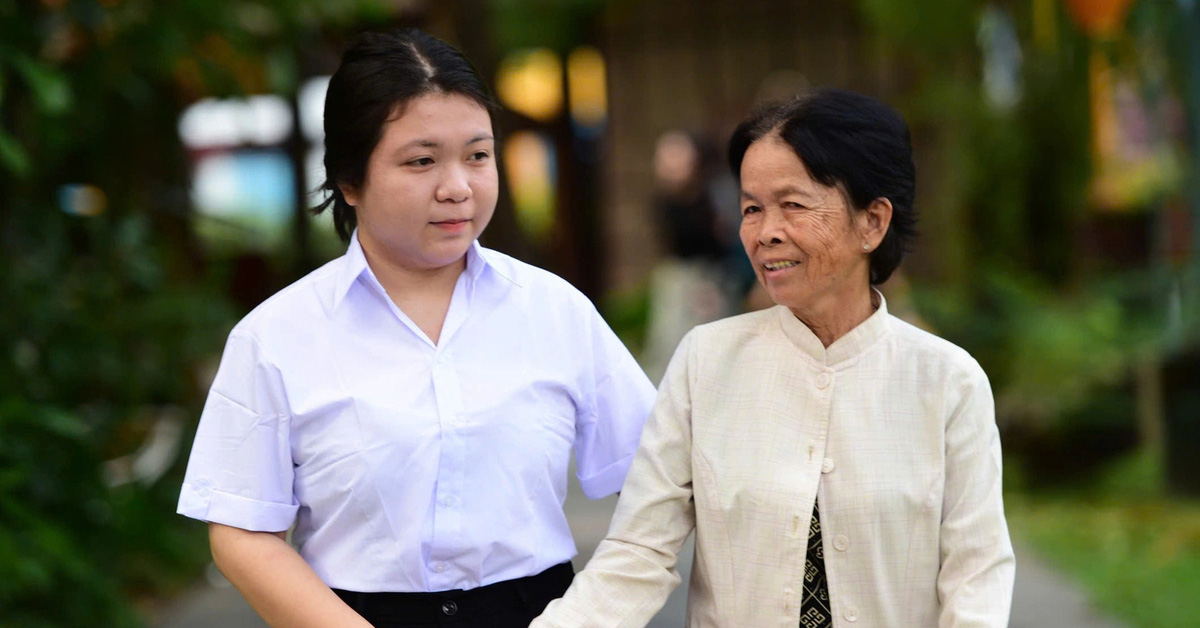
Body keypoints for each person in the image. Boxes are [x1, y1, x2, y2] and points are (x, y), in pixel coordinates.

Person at [176, 29, 656, 628]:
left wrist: (592, 615)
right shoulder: (275, 336)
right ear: (350, 180)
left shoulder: (555, 310)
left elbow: (654, 485)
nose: (457, 187)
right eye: (422, 160)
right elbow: (244, 531)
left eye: (478, 156)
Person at [532, 89, 1015, 627]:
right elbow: (638, 552)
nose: (766, 233)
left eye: (794, 204)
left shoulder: (947, 381)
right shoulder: (705, 362)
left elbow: (976, 577)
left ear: (873, 222)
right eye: (751, 209)